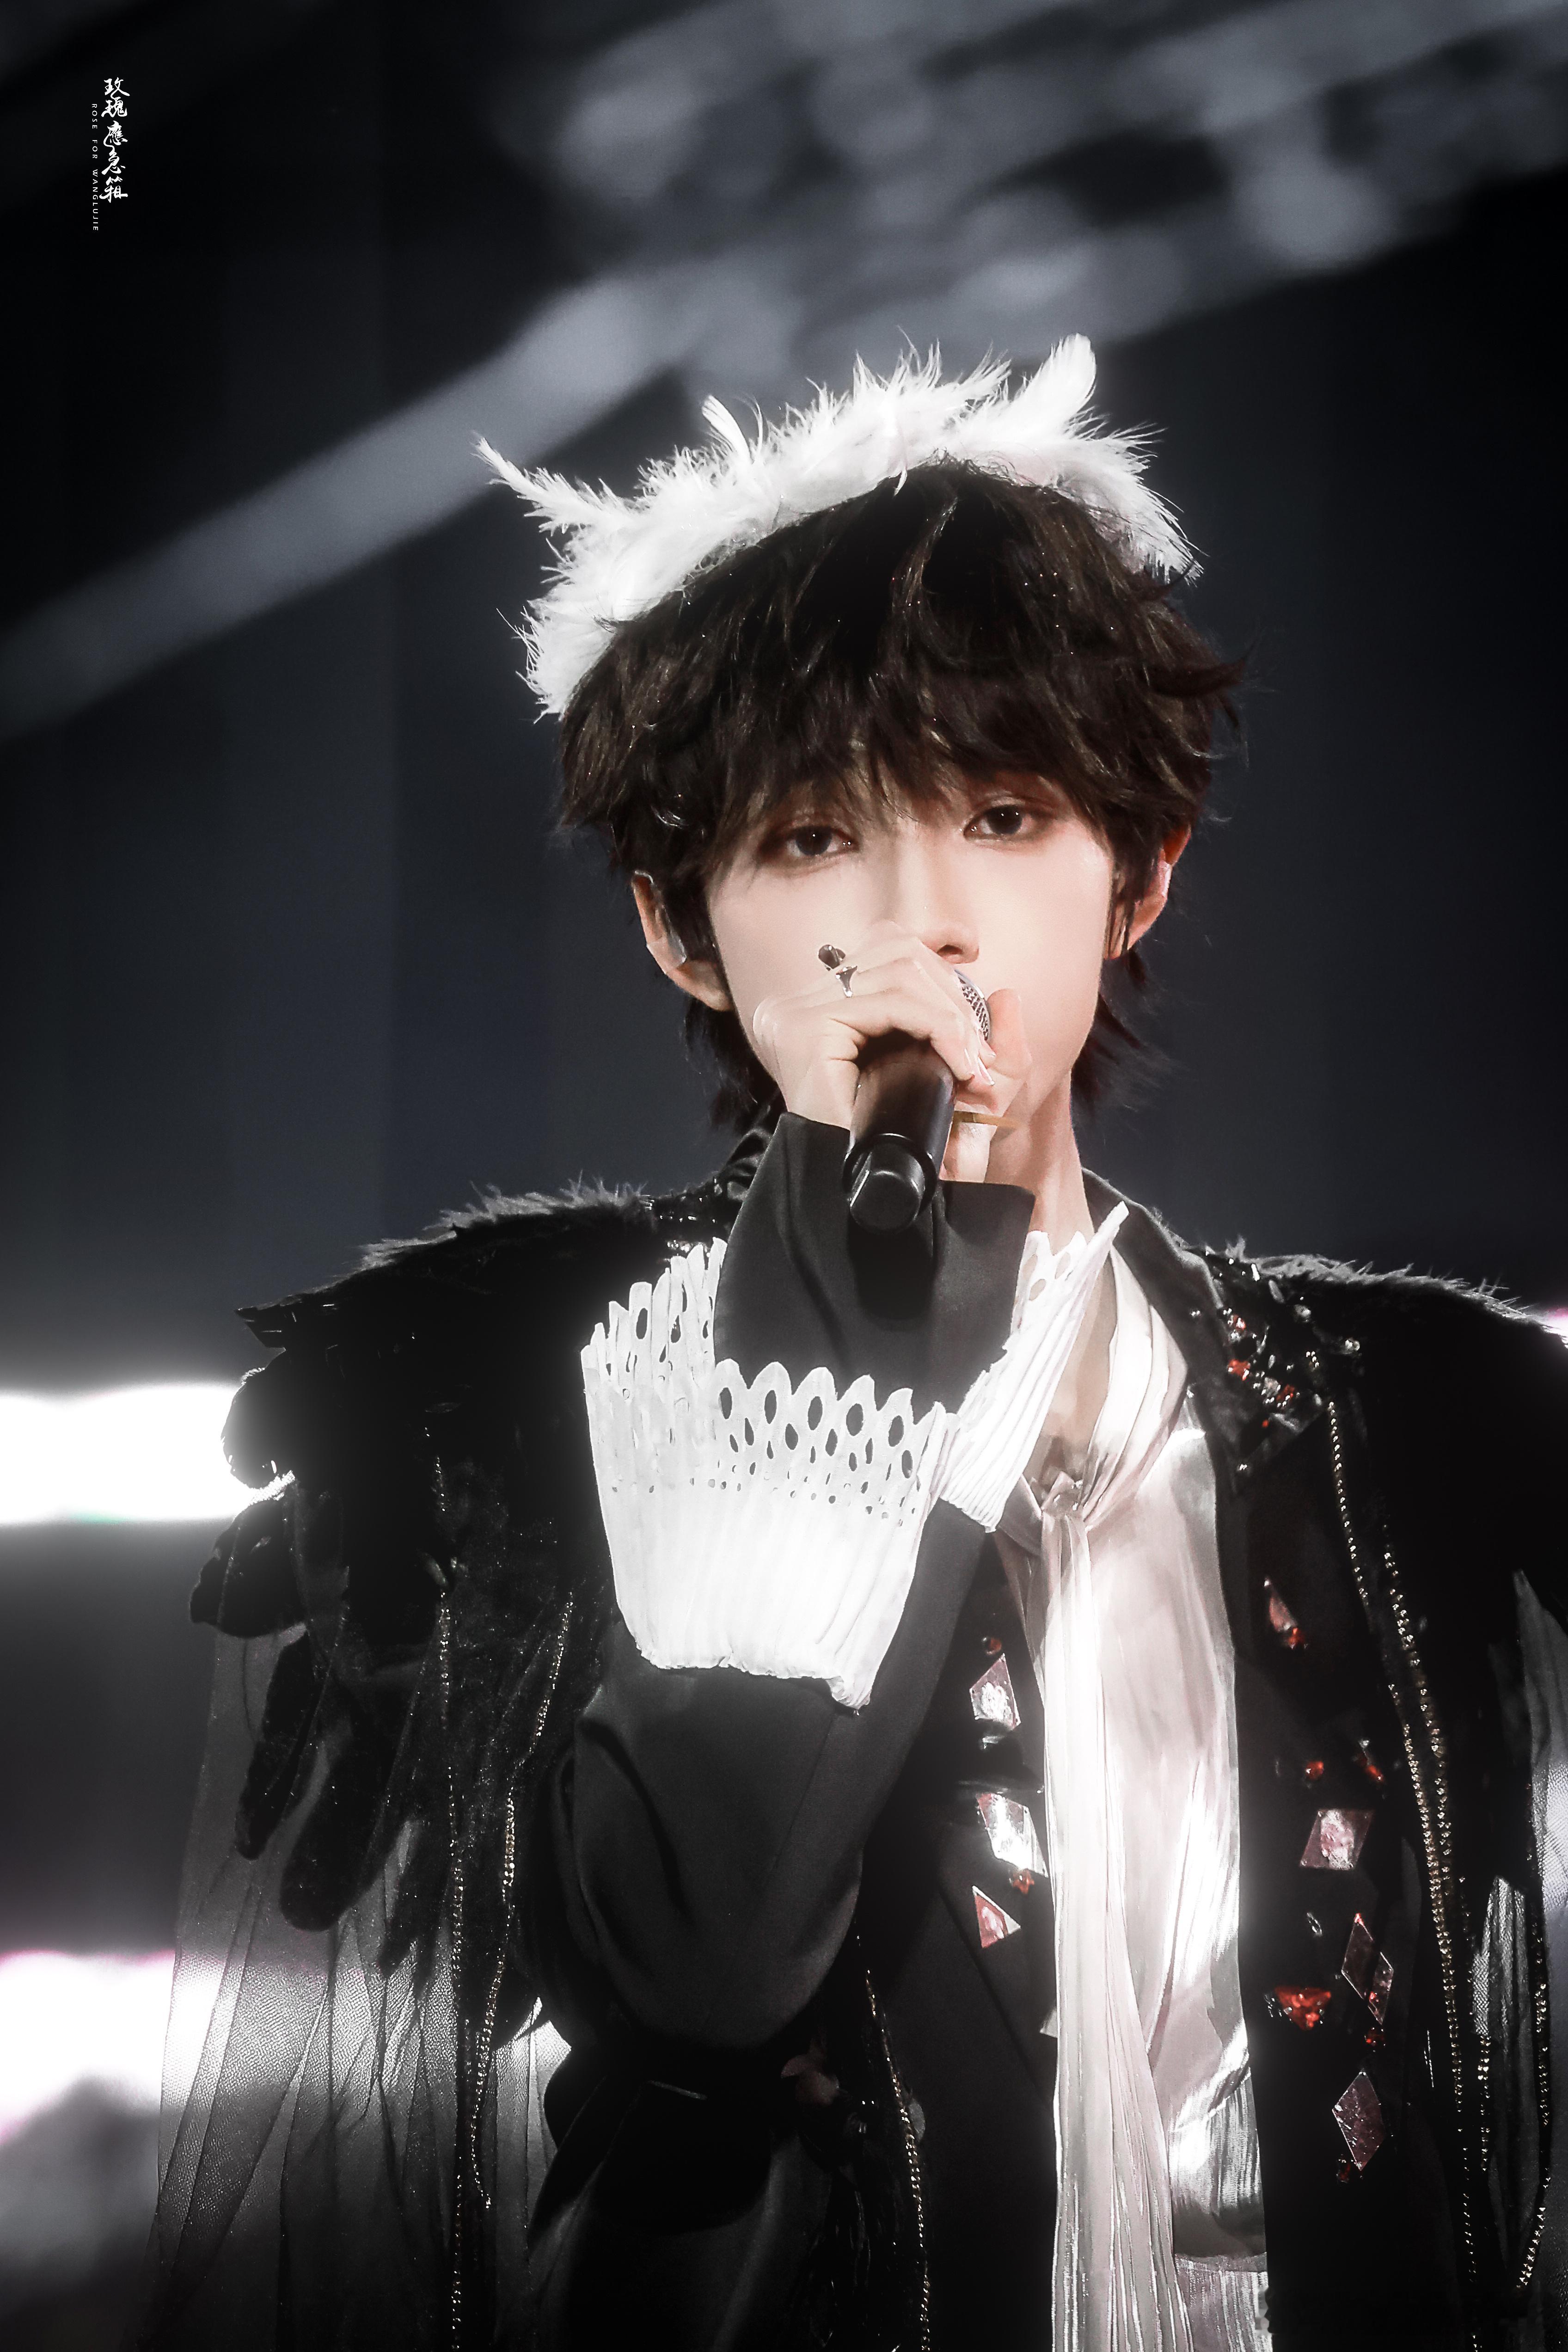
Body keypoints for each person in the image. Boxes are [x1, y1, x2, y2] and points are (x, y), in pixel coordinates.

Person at [135, 345, 1568, 2352]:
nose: (921, 928)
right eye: (814, 839)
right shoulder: (555, 1415)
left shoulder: (1400, 1431)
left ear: (1139, 869)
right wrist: (862, 1301)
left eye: (1003, 814)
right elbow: (708, 1975)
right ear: (679, 925)